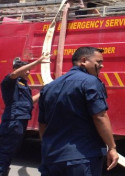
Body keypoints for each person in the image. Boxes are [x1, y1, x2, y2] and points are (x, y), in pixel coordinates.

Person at [38, 47, 118, 175]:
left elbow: (42, 124)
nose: (101, 66)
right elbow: (100, 116)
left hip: (52, 157)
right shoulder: (91, 82)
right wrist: (112, 147)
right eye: (98, 62)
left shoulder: (49, 87)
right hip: (82, 157)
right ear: (84, 60)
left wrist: (48, 145)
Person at [0, 54, 47, 176]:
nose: (28, 73)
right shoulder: (9, 82)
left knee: (11, 150)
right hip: (13, 120)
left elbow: (29, 102)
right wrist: (38, 62)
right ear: (17, 69)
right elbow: (14, 74)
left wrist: (44, 91)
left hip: (21, 120)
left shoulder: (23, 84)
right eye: (26, 70)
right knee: (6, 150)